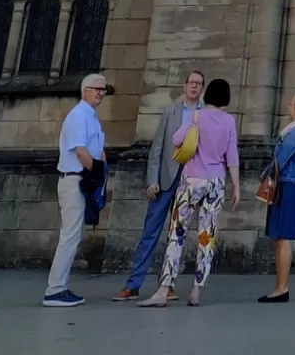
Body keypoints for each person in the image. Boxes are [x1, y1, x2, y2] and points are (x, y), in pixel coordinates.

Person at [142, 76, 240, 307]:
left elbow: (177, 139)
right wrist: (235, 184)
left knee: (177, 234)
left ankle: (164, 289)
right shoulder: (228, 122)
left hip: (191, 180)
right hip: (216, 182)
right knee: (207, 236)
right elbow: (232, 156)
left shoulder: (197, 116)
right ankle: (197, 290)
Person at [111, 69, 204, 300]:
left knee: (177, 235)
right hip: (165, 179)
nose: (194, 86)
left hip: (190, 180)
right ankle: (133, 284)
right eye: (191, 82)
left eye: (199, 83)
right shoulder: (170, 112)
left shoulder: (206, 115)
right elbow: (158, 148)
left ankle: (168, 284)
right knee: (150, 232)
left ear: (202, 89)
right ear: (184, 86)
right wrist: (151, 180)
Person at [42, 73, 108, 307]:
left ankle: (60, 287)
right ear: (84, 90)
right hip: (74, 180)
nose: (100, 92)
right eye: (96, 88)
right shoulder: (79, 116)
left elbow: (98, 150)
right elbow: (80, 152)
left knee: (73, 235)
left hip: (82, 181)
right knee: (70, 236)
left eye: (104, 89)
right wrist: (98, 173)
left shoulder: (91, 117)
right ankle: (55, 290)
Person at [258, 89, 295, 303]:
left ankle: (281, 288)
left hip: (289, 185)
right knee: (281, 238)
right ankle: (280, 286)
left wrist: (263, 176)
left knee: (283, 237)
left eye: (292, 105)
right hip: (292, 185)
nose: (289, 107)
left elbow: (279, 161)